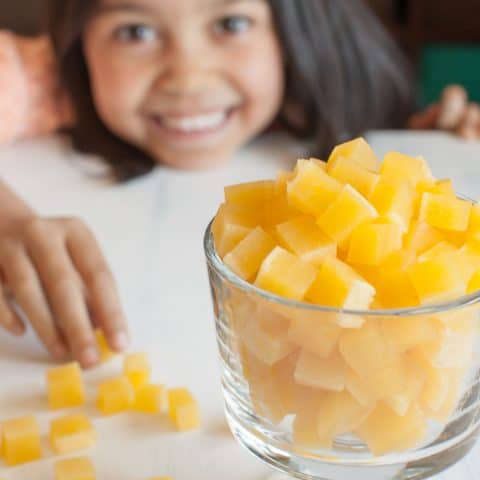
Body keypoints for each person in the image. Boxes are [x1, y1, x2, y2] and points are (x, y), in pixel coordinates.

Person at [0, 0, 476, 368]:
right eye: (135, 32)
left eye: (229, 24)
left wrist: (436, 142)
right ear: (77, 43)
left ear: (295, 32)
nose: (188, 78)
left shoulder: (311, 102)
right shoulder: (32, 77)